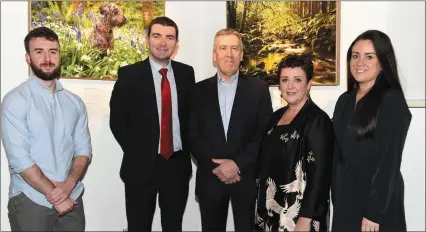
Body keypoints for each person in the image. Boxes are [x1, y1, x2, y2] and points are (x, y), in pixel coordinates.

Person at [1, 27, 92, 231]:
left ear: (60, 55)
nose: (47, 58)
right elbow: (20, 160)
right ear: (28, 57)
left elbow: (83, 151)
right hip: (31, 201)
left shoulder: (75, 103)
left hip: (72, 199)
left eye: (53, 51)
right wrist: (55, 195)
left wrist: (67, 186)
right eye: (39, 51)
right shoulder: (15, 100)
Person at [109, 16, 195, 232]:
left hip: (177, 166)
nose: (163, 43)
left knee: (173, 226)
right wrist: (139, 151)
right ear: (147, 38)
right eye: (157, 36)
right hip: (141, 167)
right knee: (138, 226)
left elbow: (190, 119)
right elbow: (117, 121)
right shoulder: (129, 74)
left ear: (177, 43)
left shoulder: (187, 74)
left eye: (169, 37)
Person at [189, 28, 273, 232]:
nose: (229, 54)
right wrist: (218, 167)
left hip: (246, 179)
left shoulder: (259, 88)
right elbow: (192, 135)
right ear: (214, 55)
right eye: (223, 48)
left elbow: (264, 133)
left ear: (242, 55)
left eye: (234, 48)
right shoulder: (197, 91)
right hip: (211, 178)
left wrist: (237, 165)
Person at [331, 30, 411, 232]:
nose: (360, 63)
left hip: (376, 206)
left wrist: (374, 213)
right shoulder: (345, 100)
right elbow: (337, 152)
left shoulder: (392, 102)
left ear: (382, 62)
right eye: (355, 56)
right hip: (346, 201)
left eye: (369, 57)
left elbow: (389, 162)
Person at [254, 54, 334, 231]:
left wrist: (306, 218)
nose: (290, 86)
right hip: (270, 210)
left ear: (308, 84)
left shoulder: (318, 120)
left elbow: (320, 175)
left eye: (297, 80)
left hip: (298, 216)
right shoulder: (275, 117)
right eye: (285, 80)